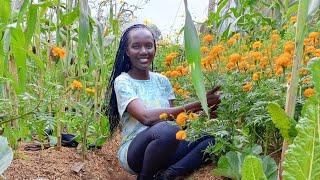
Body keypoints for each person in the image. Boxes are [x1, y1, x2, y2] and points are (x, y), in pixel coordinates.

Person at [106, 24, 220, 180]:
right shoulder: (123, 81)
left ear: (155, 49)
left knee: (215, 139)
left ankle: (168, 175)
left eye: (148, 46)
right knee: (166, 130)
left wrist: (202, 112)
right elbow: (146, 118)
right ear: (127, 51)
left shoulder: (162, 81)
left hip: (167, 147)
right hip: (135, 152)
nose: (143, 51)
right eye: (136, 46)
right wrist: (198, 103)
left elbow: (176, 121)